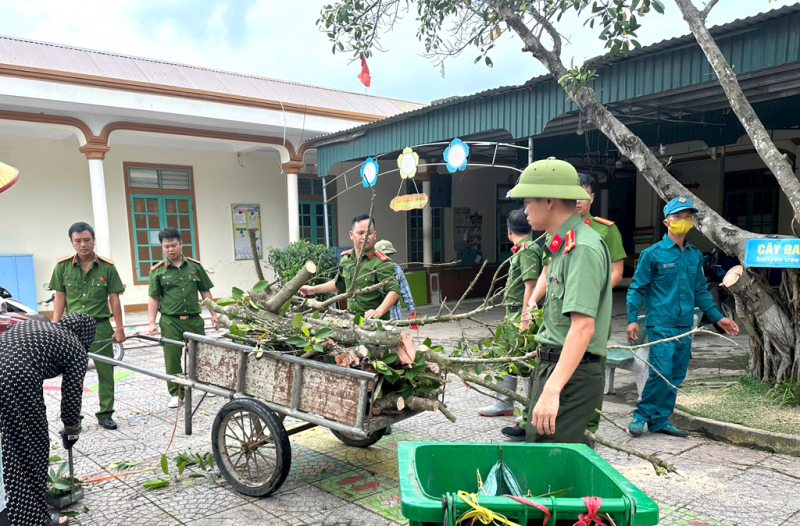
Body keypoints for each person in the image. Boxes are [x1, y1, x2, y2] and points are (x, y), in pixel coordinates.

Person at [507, 157, 612, 444]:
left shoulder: (583, 248)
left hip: (571, 378)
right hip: (557, 367)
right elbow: (562, 321)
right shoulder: (560, 245)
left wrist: (552, 390)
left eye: (529, 201)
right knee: (539, 454)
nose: (525, 210)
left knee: (554, 468)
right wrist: (545, 346)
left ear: (550, 201)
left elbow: (583, 328)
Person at [626, 197, 739, 437]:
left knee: (677, 373)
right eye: (678, 216)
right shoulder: (652, 254)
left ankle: (660, 420)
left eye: (688, 217)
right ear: (667, 221)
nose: (683, 221)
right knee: (661, 371)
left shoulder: (693, 256)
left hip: (685, 325)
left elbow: (700, 291)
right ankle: (641, 415)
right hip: (661, 323)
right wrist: (632, 318)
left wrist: (718, 318)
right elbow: (636, 287)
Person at [0, 313, 95, 526]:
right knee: (31, 447)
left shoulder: (33, 325)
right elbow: (71, 397)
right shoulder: (76, 347)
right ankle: (32, 518)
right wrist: (72, 429)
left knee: (4, 446)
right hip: (14, 379)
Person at [50, 222, 125, 430]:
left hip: (100, 327)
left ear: (93, 240)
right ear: (72, 243)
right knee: (73, 376)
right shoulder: (62, 267)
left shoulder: (107, 267)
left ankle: (105, 414)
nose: (83, 244)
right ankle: (73, 419)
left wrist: (119, 327)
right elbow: (60, 297)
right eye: (78, 241)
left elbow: (114, 299)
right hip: (72, 331)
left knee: (106, 372)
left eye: (87, 240)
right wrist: (55, 327)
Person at [479, 209, 543, 419]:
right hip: (513, 315)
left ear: (508, 231)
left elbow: (530, 286)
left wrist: (526, 317)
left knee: (525, 360)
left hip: (521, 315)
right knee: (507, 357)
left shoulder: (527, 250)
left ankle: (529, 407)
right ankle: (503, 402)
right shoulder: (525, 249)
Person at [147, 228, 218, 408]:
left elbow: (205, 291)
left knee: (200, 354)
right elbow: (154, 298)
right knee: (172, 356)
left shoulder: (195, 267)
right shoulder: (157, 271)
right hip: (170, 321)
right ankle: (176, 393)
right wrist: (151, 322)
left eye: (173, 245)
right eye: (166, 246)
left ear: (181, 244)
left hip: (194, 319)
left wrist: (214, 313)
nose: (170, 249)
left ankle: (205, 385)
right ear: (162, 248)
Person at [299, 214, 401, 321]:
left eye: (369, 233)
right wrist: (313, 290)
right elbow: (339, 284)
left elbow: (394, 291)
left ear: (374, 235)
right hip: (353, 320)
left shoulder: (381, 262)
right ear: (351, 235)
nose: (365, 237)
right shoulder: (346, 260)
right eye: (360, 233)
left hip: (375, 323)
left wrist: (378, 311)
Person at [373, 240, 416, 321]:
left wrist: (411, 307)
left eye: (388, 255)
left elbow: (404, 288)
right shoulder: (372, 270)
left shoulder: (396, 268)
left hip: (395, 315)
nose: (385, 258)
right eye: (383, 255)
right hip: (376, 314)